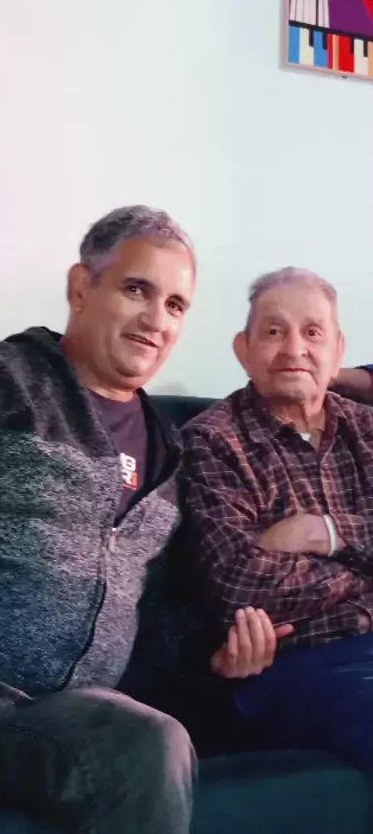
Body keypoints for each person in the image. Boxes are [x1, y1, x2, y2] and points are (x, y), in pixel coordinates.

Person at [0, 204, 205, 834]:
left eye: (175, 305)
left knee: (154, 742)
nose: (156, 319)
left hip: (67, 715)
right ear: (81, 287)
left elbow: (163, 615)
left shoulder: (170, 450)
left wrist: (220, 649)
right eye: (137, 289)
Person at [180, 266, 373, 772]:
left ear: (337, 349)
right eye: (273, 331)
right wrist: (364, 574)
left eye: (312, 332)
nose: (294, 349)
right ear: (244, 349)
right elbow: (239, 584)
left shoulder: (368, 428)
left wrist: (324, 533)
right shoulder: (212, 440)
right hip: (292, 664)